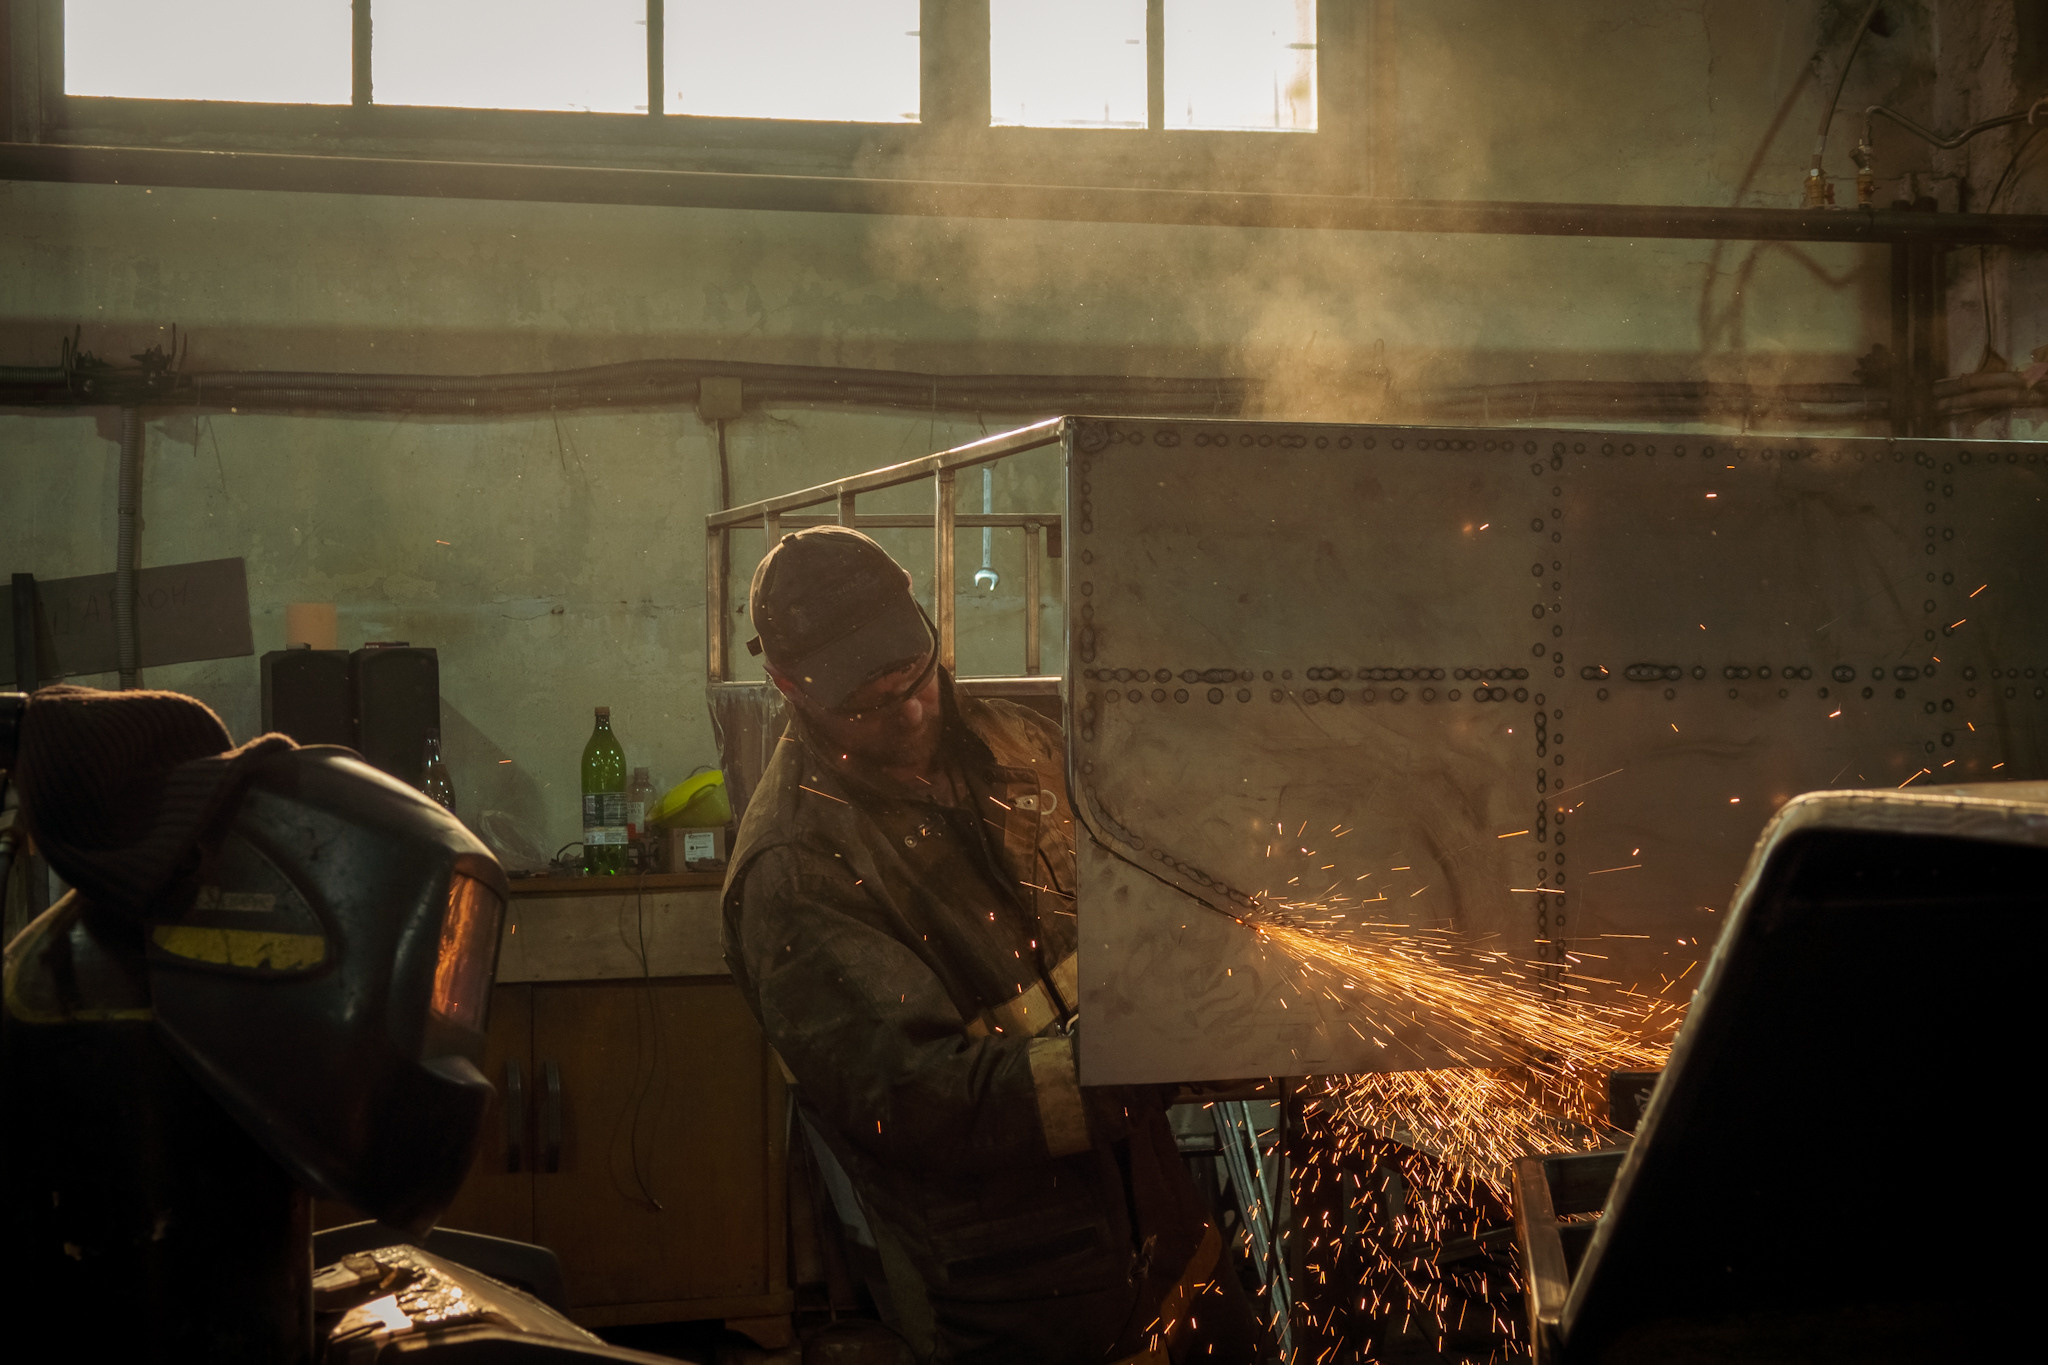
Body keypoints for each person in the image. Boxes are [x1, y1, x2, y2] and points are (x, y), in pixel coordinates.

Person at [721, 527, 1220, 1364]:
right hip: (1014, 1283)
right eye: (869, 702)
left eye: (915, 673)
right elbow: (916, 1098)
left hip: (1157, 1218)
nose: (911, 709)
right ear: (786, 686)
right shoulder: (797, 869)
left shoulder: (1012, 745)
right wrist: (1129, 1059)